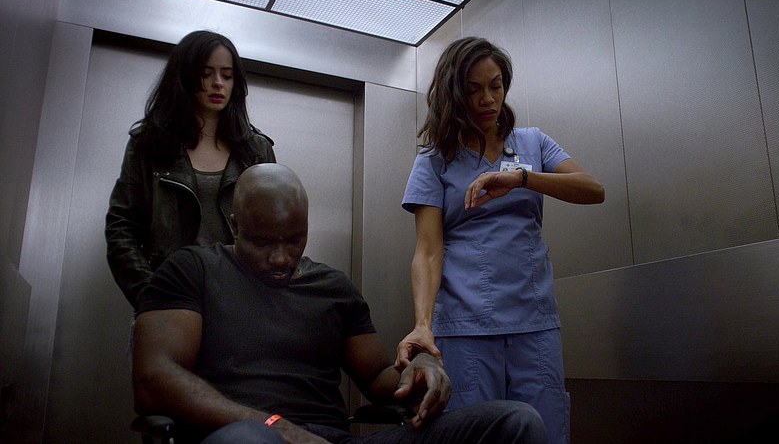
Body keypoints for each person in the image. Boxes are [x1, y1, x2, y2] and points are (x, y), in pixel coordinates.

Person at [132, 163, 548, 444]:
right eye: (262, 242)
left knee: (515, 422)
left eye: (294, 240)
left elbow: (380, 376)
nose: (280, 258)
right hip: (244, 435)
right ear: (235, 227)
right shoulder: (193, 270)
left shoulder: (332, 287)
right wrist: (277, 427)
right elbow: (154, 379)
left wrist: (421, 369)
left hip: (330, 439)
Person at [396, 37, 605, 444]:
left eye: (496, 86)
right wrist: (423, 325)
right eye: (474, 89)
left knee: (543, 430)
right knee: (476, 431)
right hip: (465, 325)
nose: (487, 99)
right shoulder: (434, 160)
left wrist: (521, 178)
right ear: (454, 93)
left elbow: (593, 189)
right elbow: (428, 251)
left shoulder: (532, 143)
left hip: (533, 321)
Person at [106, 30, 276, 308]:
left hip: (238, 300)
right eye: (206, 73)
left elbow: (274, 231)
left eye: (227, 75)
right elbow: (122, 228)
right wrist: (152, 296)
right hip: (169, 295)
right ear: (184, 76)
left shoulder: (256, 150)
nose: (218, 83)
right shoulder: (149, 144)